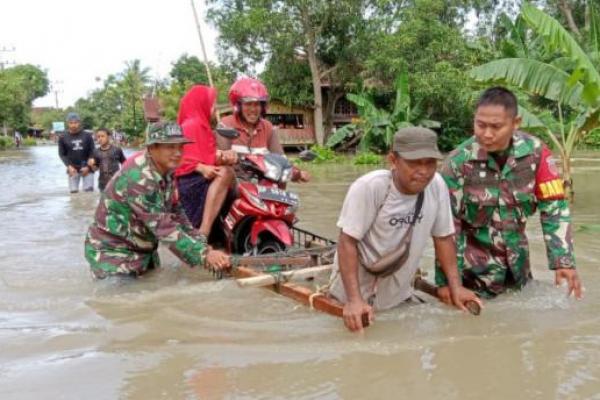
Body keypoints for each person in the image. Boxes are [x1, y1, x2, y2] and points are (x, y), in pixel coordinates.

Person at [435, 87, 583, 299]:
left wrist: (564, 261)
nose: (487, 134)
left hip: (519, 274)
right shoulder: (458, 163)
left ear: (515, 123)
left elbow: (554, 208)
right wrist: (448, 284)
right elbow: (447, 228)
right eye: (480, 125)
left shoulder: (536, 154)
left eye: (496, 127)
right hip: (472, 280)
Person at [328, 127, 482, 332]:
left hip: (398, 296)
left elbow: (443, 238)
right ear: (393, 160)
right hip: (353, 297)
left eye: (430, 163)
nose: (424, 171)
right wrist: (354, 301)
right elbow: (347, 242)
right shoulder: (370, 187)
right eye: (414, 163)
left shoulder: (436, 186)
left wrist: (456, 287)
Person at [84, 122, 231, 279]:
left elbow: (176, 213)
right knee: (125, 300)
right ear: (152, 148)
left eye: (180, 147)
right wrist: (205, 254)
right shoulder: (140, 178)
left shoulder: (166, 169)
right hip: (113, 255)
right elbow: (164, 228)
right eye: (170, 147)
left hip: (142, 251)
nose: (177, 153)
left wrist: (201, 245)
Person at [218, 77, 310, 183]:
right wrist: (226, 156)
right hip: (234, 185)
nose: (253, 109)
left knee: (281, 182)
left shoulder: (268, 127)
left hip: (263, 185)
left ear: (262, 107)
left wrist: (297, 172)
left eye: (257, 104)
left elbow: (281, 158)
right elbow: (220, 157)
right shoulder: (225, 124)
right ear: (238, 106)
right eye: (248, 104)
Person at [175, 85, 237, 237]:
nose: (214, 107)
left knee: (231, 175)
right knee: (226, 173)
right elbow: (179, 157)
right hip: (189, 182)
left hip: (198, 177)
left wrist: (225, 156)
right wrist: (200, 166)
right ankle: (205, 229)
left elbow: (205, 154)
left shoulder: (202, 125)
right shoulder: (191, 125)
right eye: (211, 103)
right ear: (201, 103)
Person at [58, 112, 95, 193]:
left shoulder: (88, 135)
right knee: (74, 194)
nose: (73, 125)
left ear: (79, 123)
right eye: (71, 123)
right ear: (68, 123)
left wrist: (88, 167)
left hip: (87, 168)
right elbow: (62, 154)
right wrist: (69, 166)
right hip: (72, 169)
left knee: (89, 193)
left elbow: (92, 152)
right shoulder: (62, 137)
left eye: (76, 122)